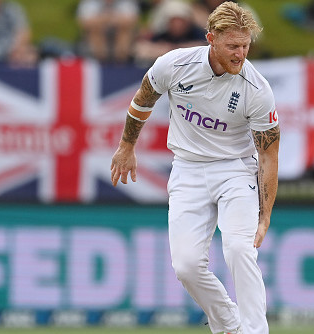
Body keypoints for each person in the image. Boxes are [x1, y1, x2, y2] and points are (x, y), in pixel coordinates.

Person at [110, 2, 280, 333]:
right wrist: (126, 146)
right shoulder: (174, 64)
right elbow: (143, 100)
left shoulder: (257, 89)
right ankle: (228, 322)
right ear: (210, 39)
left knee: (239, 249)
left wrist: (265, 214)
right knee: (186, 266)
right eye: (232, 46)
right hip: (188, 169)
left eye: (245, 46)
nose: (240, 54)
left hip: (235, 170)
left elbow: (269, 155)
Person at [133, 0, 207, 66]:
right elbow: (141, 49)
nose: (177, 24)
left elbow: (204, 48)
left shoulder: (197, 33)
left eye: (180, 20)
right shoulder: (162, 34)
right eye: (174, 20)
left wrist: (172, 49)